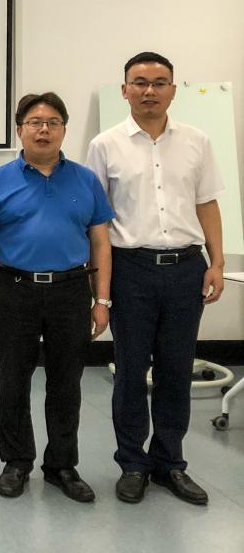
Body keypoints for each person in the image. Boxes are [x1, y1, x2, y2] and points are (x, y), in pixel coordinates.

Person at [85, 51, 225, 506]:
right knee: (130, 371)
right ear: (125, 89)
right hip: (131, 269)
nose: (149, 91)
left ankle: (169, 463)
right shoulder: (105, 145)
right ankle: (132, 463)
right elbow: (96, 220)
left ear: (173, 90)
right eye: (140, 82)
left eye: (159, 82)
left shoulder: (197, 141)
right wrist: (98, 285)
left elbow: (207, 203)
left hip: (186, 268)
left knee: (176, 370)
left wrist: (217, 262)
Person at [0, 92, 114, 502]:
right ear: (20, 130)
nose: (43, 130)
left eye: (53, 122)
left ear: (64, 129)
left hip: (71, 290)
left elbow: (100, 243)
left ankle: (61, 465)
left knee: (67, 382)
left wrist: (101, 300)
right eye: (34, 122)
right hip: (15, 289)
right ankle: (17, 462)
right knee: (13, 380)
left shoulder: (86, 179)